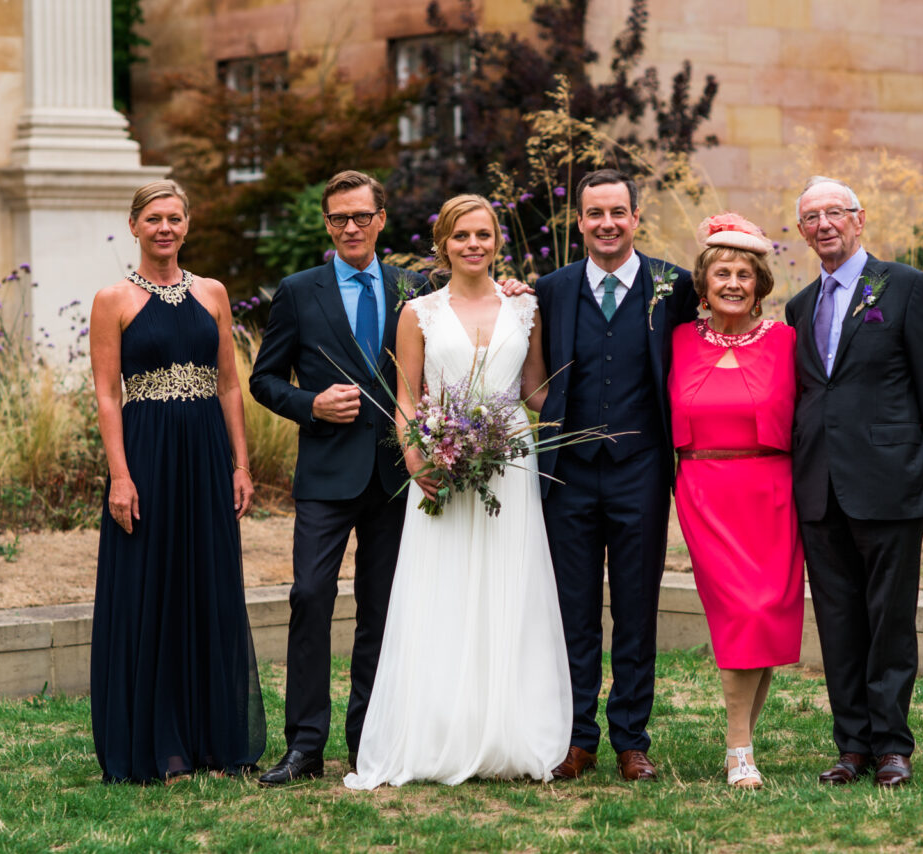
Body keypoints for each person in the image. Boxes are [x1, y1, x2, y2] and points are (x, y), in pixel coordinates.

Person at [344, 194, 571, 789]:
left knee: (507, 588)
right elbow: (408, 399)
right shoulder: (418, 312)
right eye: (462, 235)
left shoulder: (526, 308)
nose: (474, 245)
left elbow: (534, 390)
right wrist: (419, 463)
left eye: (485, 235)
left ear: (499, 241)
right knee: (440, 589)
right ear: (443, 244)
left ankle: (507, 729)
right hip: (438, 469)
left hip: (509, 467)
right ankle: (439, 728)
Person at [784, 176, 923, 788]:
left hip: (890, 481)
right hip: (819, 487)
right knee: (837, 621)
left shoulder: (903, 286)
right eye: (811, 216)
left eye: (835, 212)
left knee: (889, 620)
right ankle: (851, 746)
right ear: (802, 231)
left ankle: (892, 747)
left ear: (860, 220)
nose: (824, 223)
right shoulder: (799, 305)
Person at [249, 170, 425, 785]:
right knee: (310, 598)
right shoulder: (299, 291)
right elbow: (263, 379)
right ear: (327, 225)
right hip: (325, 473)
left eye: (360, 216)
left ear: (381, 219)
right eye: (337, 219)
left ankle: (368, 741)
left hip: (394, 475)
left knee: (381, 609)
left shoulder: (416, 288)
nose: (349, 228)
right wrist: (311, 404)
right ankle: (304, 746)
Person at [89, 179, 265, 784]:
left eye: (175, 218)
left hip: (206, 452)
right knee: (149, 588)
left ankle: (214, 740)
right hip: (146, 454)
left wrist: (240, 464)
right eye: (154, 219)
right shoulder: (112, 300)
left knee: (208, 584)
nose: (165, 228)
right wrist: (119, 475)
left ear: (187, 225)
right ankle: (159, 745)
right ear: (134, 225)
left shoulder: (213, 293)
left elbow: (229, 385)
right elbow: (107, 395)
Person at [534, 169, 698, 781]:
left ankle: (632, 738)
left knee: (636, 607)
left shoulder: (672, 286)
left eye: (617, 213)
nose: (607, 224)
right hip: (567, 475)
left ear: (636, 217)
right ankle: (577, 737)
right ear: (579, 221)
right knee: (572, 610)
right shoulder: (551, 289)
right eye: (594, 213)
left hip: (642, 472)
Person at [667, 213, 804, 789]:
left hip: (772, 493)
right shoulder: (675, 339)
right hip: (705, 492)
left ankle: (742, 738)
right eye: (721, 272)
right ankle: (738, 747)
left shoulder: (786, 341)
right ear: (703, 283)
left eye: (743, 274)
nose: (732, 283)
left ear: (760, 283)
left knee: (766, 615)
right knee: (739, 615)